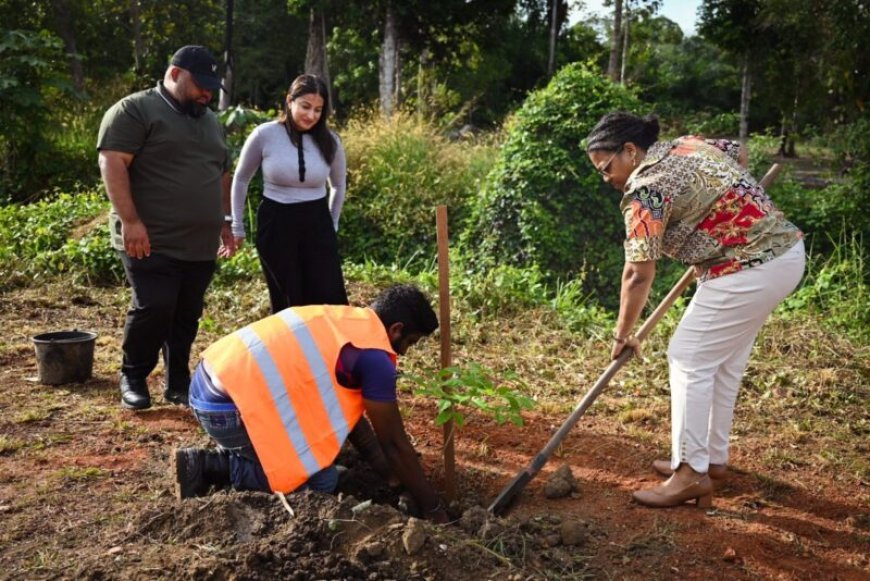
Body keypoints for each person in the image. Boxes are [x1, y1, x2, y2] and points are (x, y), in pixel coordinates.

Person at [585, 112, 805, 508]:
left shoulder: (646, 191)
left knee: (687, 358)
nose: (606, 179)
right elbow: (738, 153)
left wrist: (622, 334)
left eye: (606, 168)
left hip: (745, 267)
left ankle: (689, 473)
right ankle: (712, 460)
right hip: (784, 255)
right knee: (721, 363)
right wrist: (713, 217)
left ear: (630, 151)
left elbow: (637, 273)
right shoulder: (687, 144)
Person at [172, 284, 450, 524]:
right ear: (396, 329)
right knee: (322, 480)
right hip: (228, 411)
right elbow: (393, 443)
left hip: (207, 381)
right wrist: (433, 507)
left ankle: (242, 452)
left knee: (319, 464)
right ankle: (212, 466)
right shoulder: (375, 357)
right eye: (409, 343)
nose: (403, 353)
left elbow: (355, 423)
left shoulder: (343, 320)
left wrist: (392, 477)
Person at [97, 45, 236, 411]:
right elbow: (112, 162)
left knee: (187, 313)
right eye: (200, 85)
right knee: (154, 306)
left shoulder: (209, 120)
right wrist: (130, 222)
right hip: (150, 238)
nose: (207, 93)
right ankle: (134, 375)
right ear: (174, 74)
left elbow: (222, 173)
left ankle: (178, 382)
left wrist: (225, 221)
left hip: (200, 243)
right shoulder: (136, 110)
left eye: (211, 86)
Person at [230, 74, 348, 313]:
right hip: (276, 221)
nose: (311, 115)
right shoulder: (265, 135)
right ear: (289, 101)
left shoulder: (331, 141)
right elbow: (241, 179)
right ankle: (290, 349)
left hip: (317, 222)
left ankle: (328, 349)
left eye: (318, 109)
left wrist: (332, 223)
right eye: (305, 106)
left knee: (328, 294)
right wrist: (236, 225)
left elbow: (338, 184)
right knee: (288, 297)